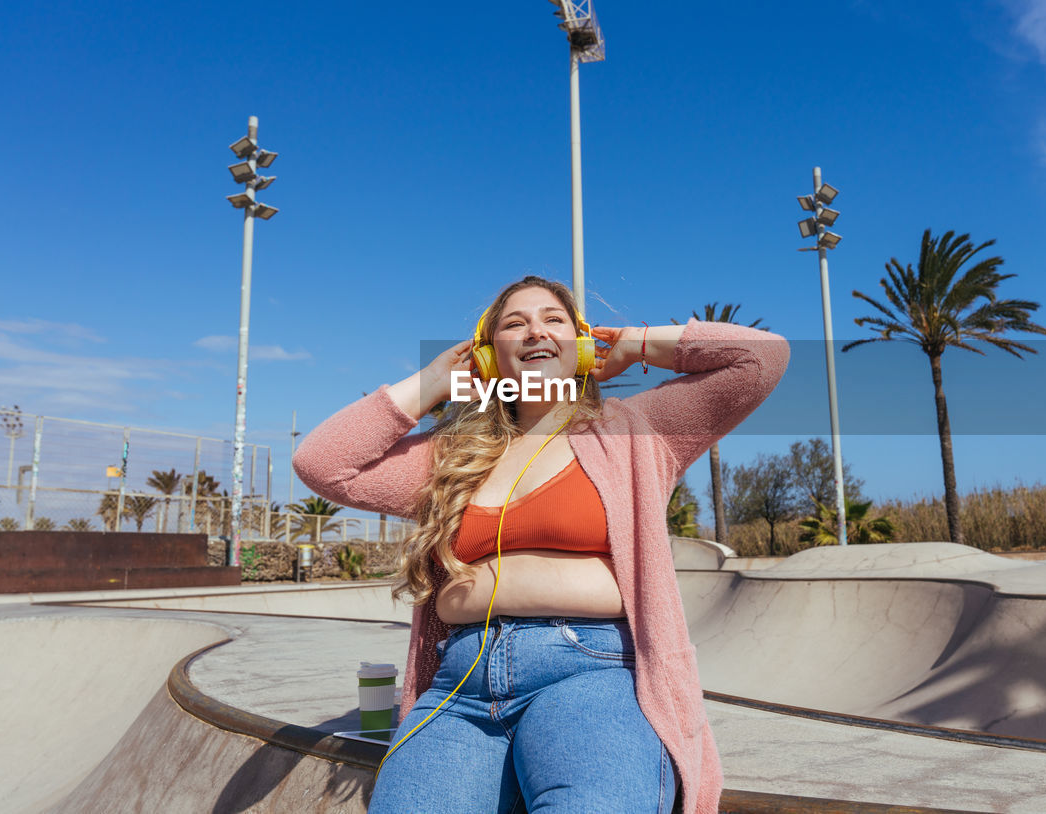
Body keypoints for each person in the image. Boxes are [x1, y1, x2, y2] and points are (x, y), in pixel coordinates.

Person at [293, 276, 789, 814]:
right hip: (460, 682)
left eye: (553, 320)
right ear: (488, 357)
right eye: (514, 323)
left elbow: (761, 359)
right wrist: (434, 381)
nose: (535, 331)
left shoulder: (637, 429)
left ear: (578, 345)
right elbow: (321, 464)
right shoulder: (451, 456)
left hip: (592, 671)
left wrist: (638, 343)